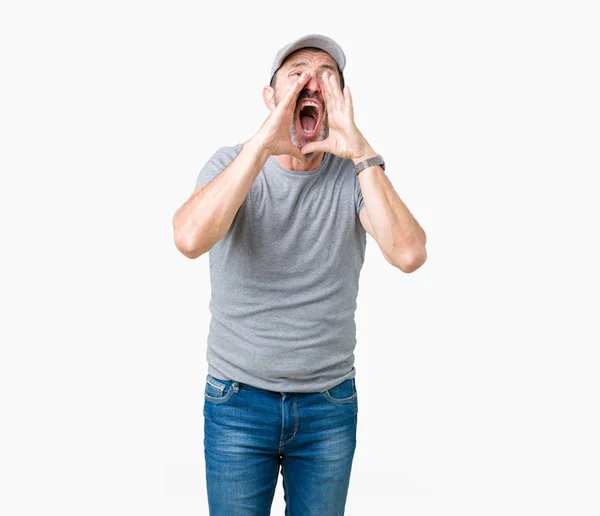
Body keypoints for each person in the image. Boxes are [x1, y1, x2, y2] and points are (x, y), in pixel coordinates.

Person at [172, 33, 427, 515]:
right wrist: (264, 143)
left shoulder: (356, 174)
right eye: (297, 74)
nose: (312, 80)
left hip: (327, 404)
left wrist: (359, 150)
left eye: (326, 75)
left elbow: (410, 253)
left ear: (339, 101)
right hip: (237, 401)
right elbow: (189, 239)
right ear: (270, 98)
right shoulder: (230, 164)